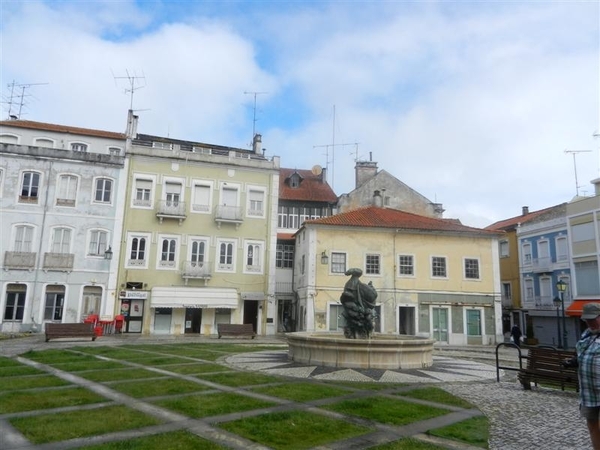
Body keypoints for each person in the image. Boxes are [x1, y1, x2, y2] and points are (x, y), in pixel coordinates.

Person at [563, 302, 600, 450]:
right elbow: (583, 355)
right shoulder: (586, 335)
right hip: (588, 391)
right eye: (587, 320)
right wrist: (574, 361)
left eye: (593, 318)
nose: (590, 322)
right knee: (592, 425)